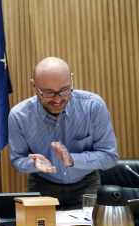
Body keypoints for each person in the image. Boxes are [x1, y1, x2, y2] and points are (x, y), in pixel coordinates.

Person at [8, 57, 118, 209]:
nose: (58, 99)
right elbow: (17, 160)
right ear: (34, 86)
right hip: (42, 186)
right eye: (48, 93)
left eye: (64, 90)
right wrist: (33, 164)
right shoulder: (19, 116)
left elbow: (109, 156)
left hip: (86, 185)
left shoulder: (93, 107)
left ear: (71, 80)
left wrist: (73, 160)